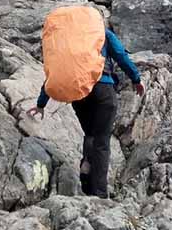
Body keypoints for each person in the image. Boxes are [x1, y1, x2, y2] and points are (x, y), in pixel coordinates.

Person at [28, 24, 144, 198]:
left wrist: (41, 103)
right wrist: (136, 78)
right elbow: (121, 56)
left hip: (78, 92)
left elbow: (57, 72)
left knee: (90, 133)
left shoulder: (68, 41)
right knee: (102, 141)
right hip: (103, 89)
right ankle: (100, 194)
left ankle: (87, 176)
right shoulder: (102, 33)